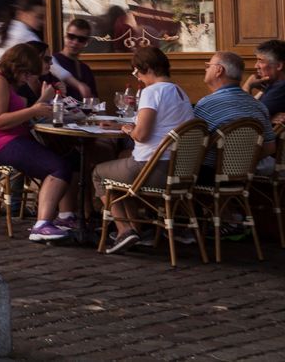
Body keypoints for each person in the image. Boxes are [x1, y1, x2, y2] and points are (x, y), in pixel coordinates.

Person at [95, 46, 196, 253]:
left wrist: (127, 129)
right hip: (179, 170)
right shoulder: (180, 91)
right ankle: (138, 229)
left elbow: (142, 135)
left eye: (136, 71)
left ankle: (124, 230)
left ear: (147, 68)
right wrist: (121, 126)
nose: (137, 77)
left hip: (152, 170)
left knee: (98, 173)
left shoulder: (152, 92)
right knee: (123, 159)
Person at [0, 44, 76, 242]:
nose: (26, 79)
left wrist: (40, 104)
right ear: (17, 67)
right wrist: (35, 109)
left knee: (66, 158)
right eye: (26, 74)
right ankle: (42, 224)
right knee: (58, 167)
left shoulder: (7, 83)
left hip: (10, 138)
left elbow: (17, 116)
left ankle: (65, 216)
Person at [194, 50, 277, 174]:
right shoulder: (259, 106)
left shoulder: (206, 105)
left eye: (208, 66)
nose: (206, 70)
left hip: (210, 176)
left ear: (219, 70)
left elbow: (192, 148)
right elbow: (270, 148)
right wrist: (239, 165)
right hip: (245, 178)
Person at [51, 16, 99, 99]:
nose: (75, 42)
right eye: (71, 37)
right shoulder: (52, 62)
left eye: (81, 39)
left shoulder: (85, 69)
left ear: (86, 42)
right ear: (65, 36)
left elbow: (94, 100)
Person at [244, 39, 285, 125]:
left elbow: (245, 117)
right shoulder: (273, 84)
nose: (256, 66)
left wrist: (247, 86)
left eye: (261, 60)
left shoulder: (281, 87)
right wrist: (269, 119)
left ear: (278, 66)